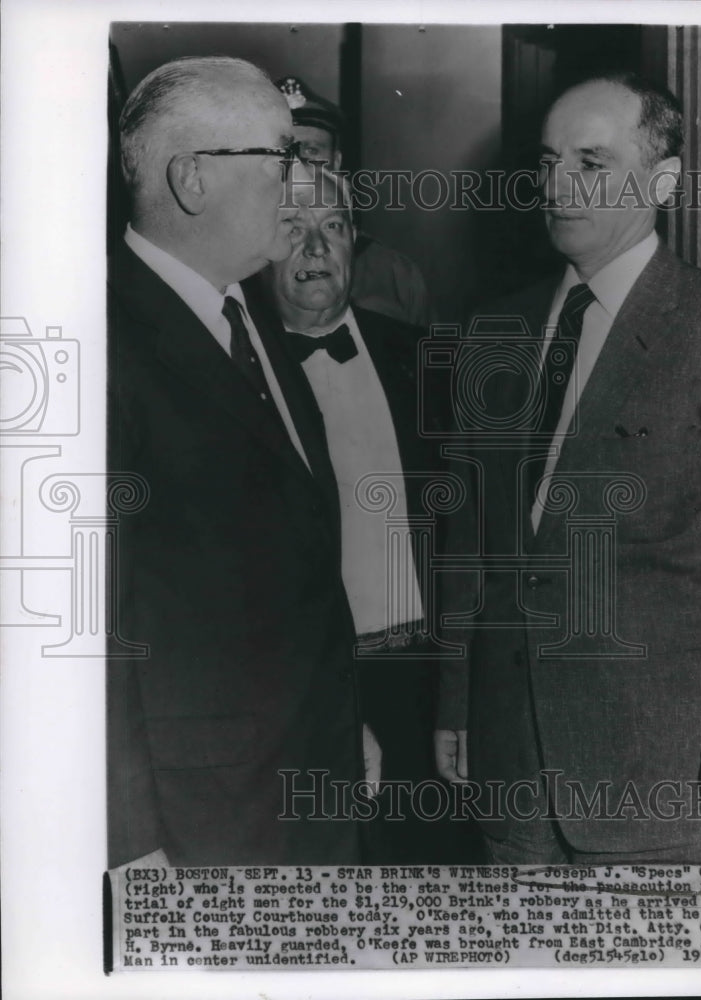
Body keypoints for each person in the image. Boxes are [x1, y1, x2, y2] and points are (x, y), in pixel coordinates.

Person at [435, 72, 701, 864]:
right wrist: (456, 702)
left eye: (591, 163)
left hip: (661, 781)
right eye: (548, 162)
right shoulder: (495, 328)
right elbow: (469, 541)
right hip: (511, 765)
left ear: (664, 181)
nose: (558, 185)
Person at [107, 56, 379, 868]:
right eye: (280, 155)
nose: (302, 181)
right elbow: (86, 630)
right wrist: (129, 839)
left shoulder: (248, 309)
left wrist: (343, 723)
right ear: (192, 179)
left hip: (312, 775)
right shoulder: (99, 341)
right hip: (199, 823)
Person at [248, 170, 476, 861]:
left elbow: (472, 536)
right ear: (258, 247)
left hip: (424, 678)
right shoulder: (235, 370)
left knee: (434, 872)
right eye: (292, 228)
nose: (316, 246)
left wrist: (464, 688)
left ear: (355, 242)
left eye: (333, 227)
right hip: (301, 683)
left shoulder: (427, 361)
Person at [275, 75, 434, 329]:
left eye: (312, 151)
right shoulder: (237, 264)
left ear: (336, 163)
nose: (300, 167)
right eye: (285, 153)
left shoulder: (392, 273)